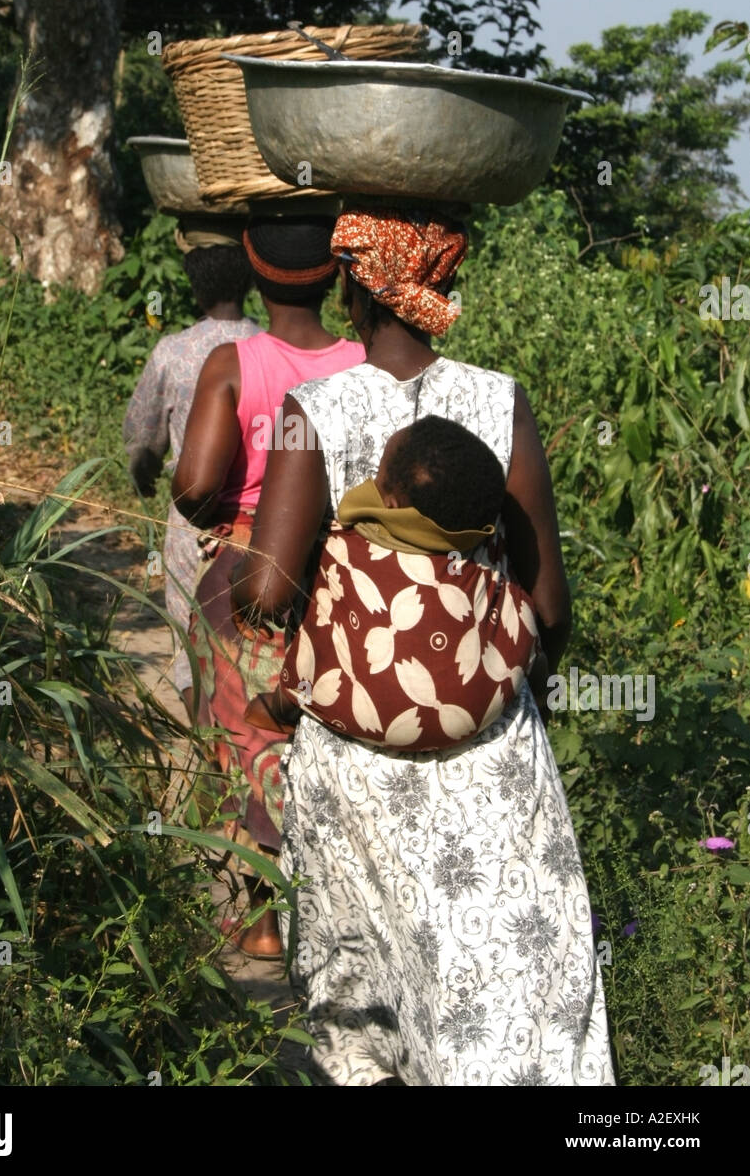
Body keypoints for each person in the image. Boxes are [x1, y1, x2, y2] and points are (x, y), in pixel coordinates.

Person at [231, 206, 614, 1084]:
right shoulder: (497, 398)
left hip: (355, 760)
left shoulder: (314, 409)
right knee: (507, 986)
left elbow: (265, 594)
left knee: (367, 991)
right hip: (488, 747)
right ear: (441, 283)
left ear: (354, 290)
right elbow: (548, 604)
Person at [172, 214, 365, 958]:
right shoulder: (363, 360)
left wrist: (222, 507)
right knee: (324, 725)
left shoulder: (233, 363)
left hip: (248, 568)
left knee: (247, 732)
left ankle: (261, 917)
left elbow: (193, 485)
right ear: (336, 276)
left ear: (252, 268)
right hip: (343, 570)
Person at [246, 415, 546, 750]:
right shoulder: (484, 543)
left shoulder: (344, 542)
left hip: (350, 708)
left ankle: (283, 706)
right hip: (477, 708)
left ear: (391, 504)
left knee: (320, 600)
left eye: (380, 477)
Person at [122, 220, 260, 713]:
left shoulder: (173, 352)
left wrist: (145, 472)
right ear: (250, 280)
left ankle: (206, 756)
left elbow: (143, 442)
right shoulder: (268, 348)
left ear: (193, 284)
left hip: (193, 528)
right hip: (263, 526)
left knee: (192, 648)